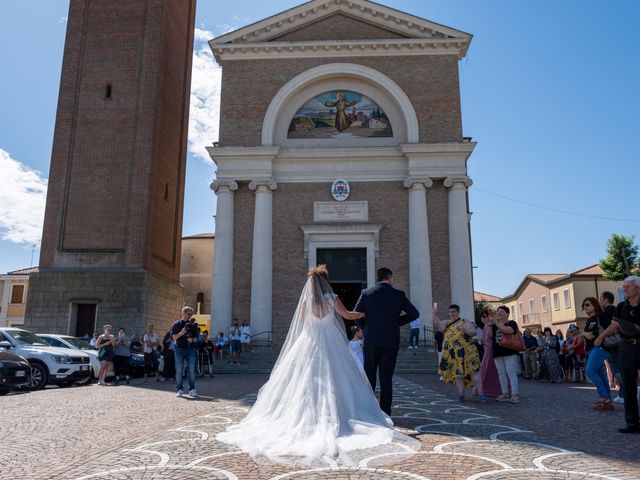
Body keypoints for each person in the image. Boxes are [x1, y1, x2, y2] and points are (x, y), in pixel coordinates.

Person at [216, 265, 420, 465]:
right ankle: (350, 413)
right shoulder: (332, 298)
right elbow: (348, 315)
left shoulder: (307, 301)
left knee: (306, 380)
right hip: (333, 341)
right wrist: (368, 316)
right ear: (325, 281)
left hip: (310, 340)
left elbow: (303, 322)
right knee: (339, 378)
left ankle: (308, 416)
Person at [354, 267, 420, 415]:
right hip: (390, 341)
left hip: (371, 340)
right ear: (390, 278)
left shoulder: (366, 293)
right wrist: (396, 322)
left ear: (378, 278)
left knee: (369, 376)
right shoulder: (398, 294)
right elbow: (414, 314)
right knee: (386, 378)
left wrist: (365, 328)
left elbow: (356, 314)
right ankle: (385, 413)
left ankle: (368, 411)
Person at [596, 276, 640, 433]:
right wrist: (601, 337)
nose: (625, 289)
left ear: (637, 288)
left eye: (628, 286)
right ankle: (633, 422)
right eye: (624, 286)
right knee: (628, 385)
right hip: (627, 347)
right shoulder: (621, 306)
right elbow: (614, 326)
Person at [434, 304, 485, 402]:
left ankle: (481, 395)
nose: (452, 314)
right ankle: (461, 395)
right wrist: (435, 315)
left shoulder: (465, 321)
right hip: (454, 354)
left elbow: (473, 332)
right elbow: (439, 327)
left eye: (454, 311)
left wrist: (464, 330)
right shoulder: (446, 322)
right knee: (458, 375)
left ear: (458, 312)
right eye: (450, 312)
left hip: (468, 352)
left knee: (475, 373)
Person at [582, 297, 615, 411]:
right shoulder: (589, 320)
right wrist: (584, 333)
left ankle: (604, 397)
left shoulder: (601, 316)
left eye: (587, 305)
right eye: (584, 306)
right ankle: (608, 400)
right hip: (592, 349)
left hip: (601, 347)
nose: (585, 307)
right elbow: (587, 334)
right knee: (600, 374)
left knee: (590, 371)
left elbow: (611, 327)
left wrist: (600, 337)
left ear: (595, 305)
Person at [486, 306, 521, 403]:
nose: (499, 313)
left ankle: (515, 394)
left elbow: (508, 330)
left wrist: (496, 322)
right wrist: (489, 324)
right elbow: (490, 335)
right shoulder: (494, 324)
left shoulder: (512, 323)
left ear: (507, 313)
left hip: (510, 351)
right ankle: (505, 393)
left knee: (511, 372)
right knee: (501, 374)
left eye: (502, 311)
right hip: (497, 352)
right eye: (498, 312)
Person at [171, 306, 200, 398]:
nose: (190, 316)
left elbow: (197, 337)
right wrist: (181, 333)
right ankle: (179, 389)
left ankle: (192, 389)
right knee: (179, 370)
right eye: (188, 314)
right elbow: (173, 337)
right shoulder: (176, 324)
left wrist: (193, 339)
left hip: (190, 349)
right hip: (179, 349)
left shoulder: (192, 325)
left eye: (191, 314)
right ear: (183, 313)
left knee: (192, 370)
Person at [600, 291, 624, 403]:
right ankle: (623, 393)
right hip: (622, 342)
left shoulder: (604, 313)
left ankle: (626, 392)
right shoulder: (618, 309)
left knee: (616, 369)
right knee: (622, 368)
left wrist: (600, 338)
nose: (600, 301)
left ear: (606, 300)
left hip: (610, 345)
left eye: (601, 299)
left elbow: (606, 328)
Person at [477, 311, 501, 397]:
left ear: (486, 317)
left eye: (482, 317)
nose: (481, 319)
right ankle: (486, 388)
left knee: (489, 368)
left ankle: (491, 388)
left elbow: (490, 336)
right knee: (486, 367)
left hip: (489, 349)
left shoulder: (489, 325)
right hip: (486, 348)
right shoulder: (485, 325)